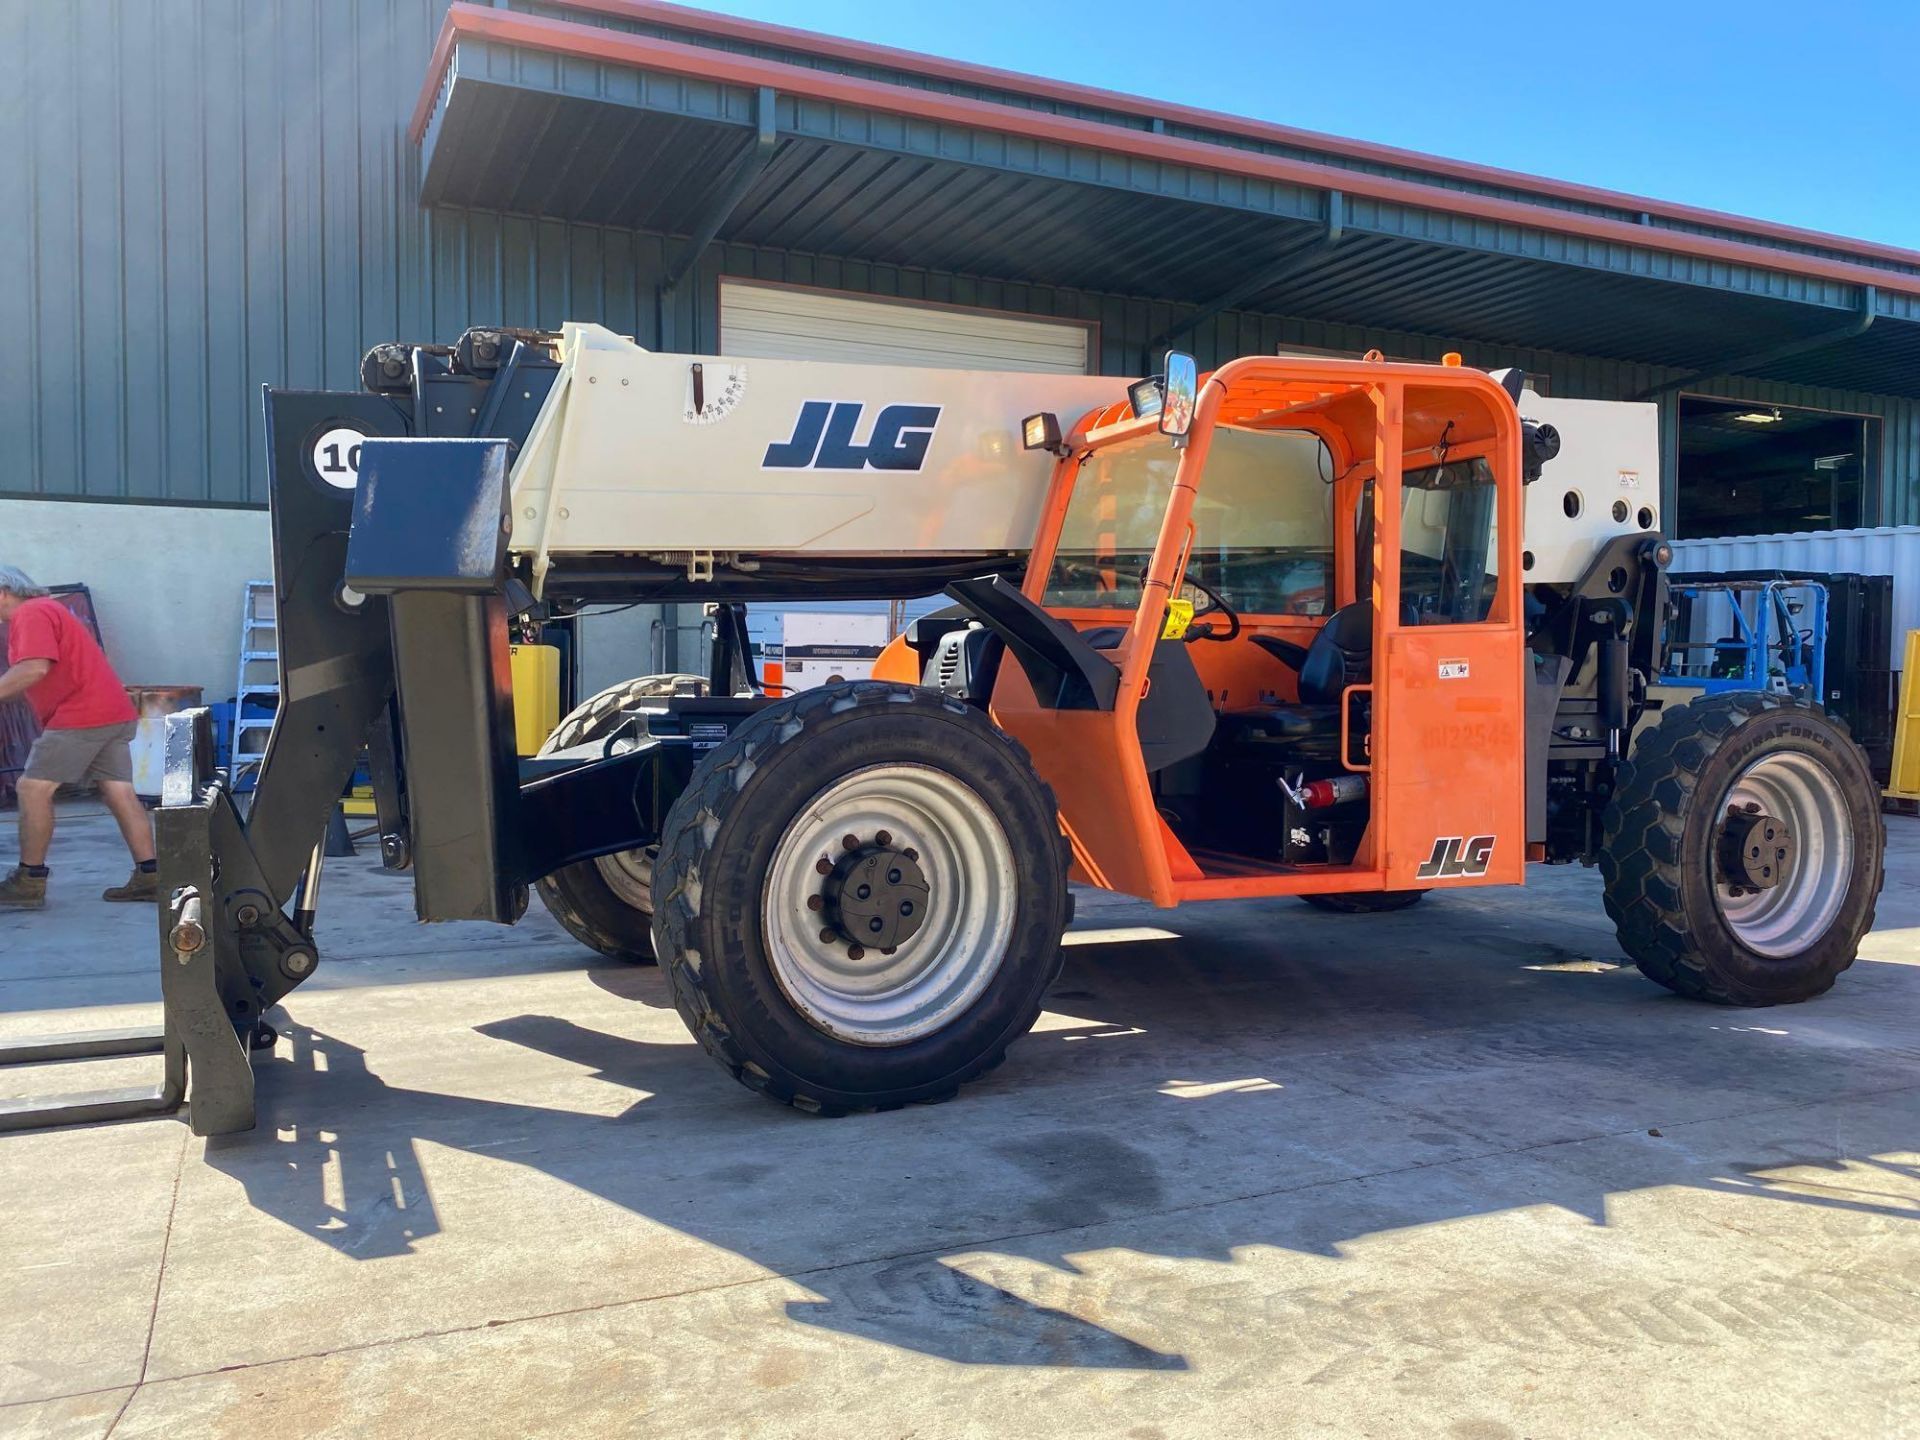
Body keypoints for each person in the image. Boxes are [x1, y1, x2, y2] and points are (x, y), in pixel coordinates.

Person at [0, 565, 156, 909]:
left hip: (81, 715)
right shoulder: (49, 609)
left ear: (3, 592)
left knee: (32, 788)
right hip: (111, 711)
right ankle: (151, 874)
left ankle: (29, 879)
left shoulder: (31, 613)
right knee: (118, 791)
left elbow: (33, 668)